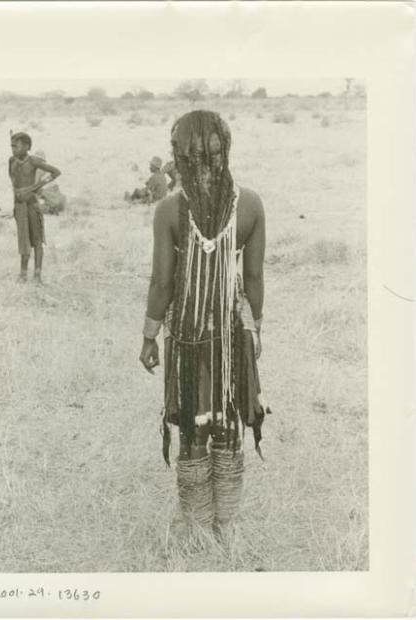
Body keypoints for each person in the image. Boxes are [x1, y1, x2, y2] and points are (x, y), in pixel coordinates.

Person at [139, 110, 268, 539]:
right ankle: (226, 524)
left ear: (179, 155)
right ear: (223, 150)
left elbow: (162, 281)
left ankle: (194, 524)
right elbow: (252, 279)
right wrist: (256, 328)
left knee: (193, 421)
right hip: (233, 331)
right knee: (229, 417)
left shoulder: (169, 210)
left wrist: (149, 334)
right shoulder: (249, 203)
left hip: (190, 332)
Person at [9, 132, 61, 284]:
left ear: (26, 147)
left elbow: (56, 172)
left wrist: (35, 186)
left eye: (16, 146)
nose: (13, 149)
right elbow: (14, 185)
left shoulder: (33, 161)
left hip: (32, 205)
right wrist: (15, 205)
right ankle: (23, 274)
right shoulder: (11, 161)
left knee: (37, 240)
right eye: (11, 146)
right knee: (23, 240)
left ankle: (37, 275)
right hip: (19, 206)